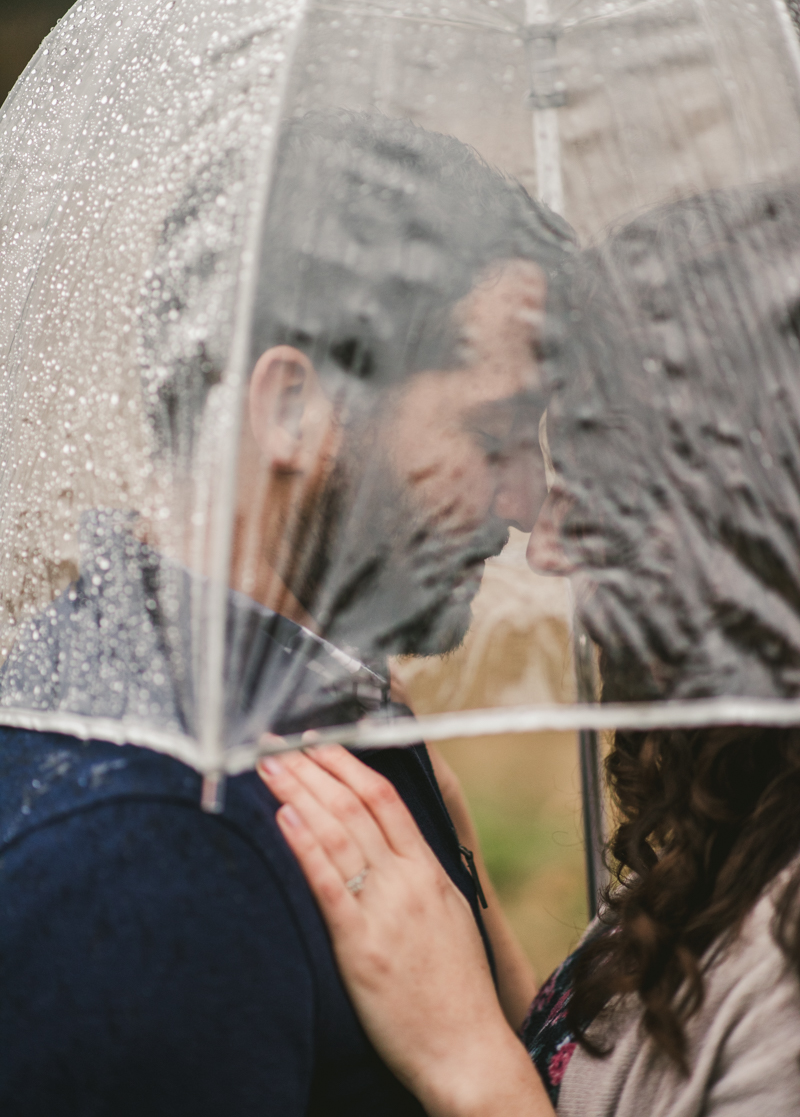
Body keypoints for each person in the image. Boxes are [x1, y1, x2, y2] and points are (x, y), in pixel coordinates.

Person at [0, 111, 575, 1114]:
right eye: (491, 438)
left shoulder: (299, 708)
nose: (526, 506)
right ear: (291, 409)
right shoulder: (154, 846)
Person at [260, 182, 800, 1116]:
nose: (542, 543)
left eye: (596, 491)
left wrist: (468, 1061)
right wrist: (470, 917)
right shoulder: (734, 847)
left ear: (740, 523)